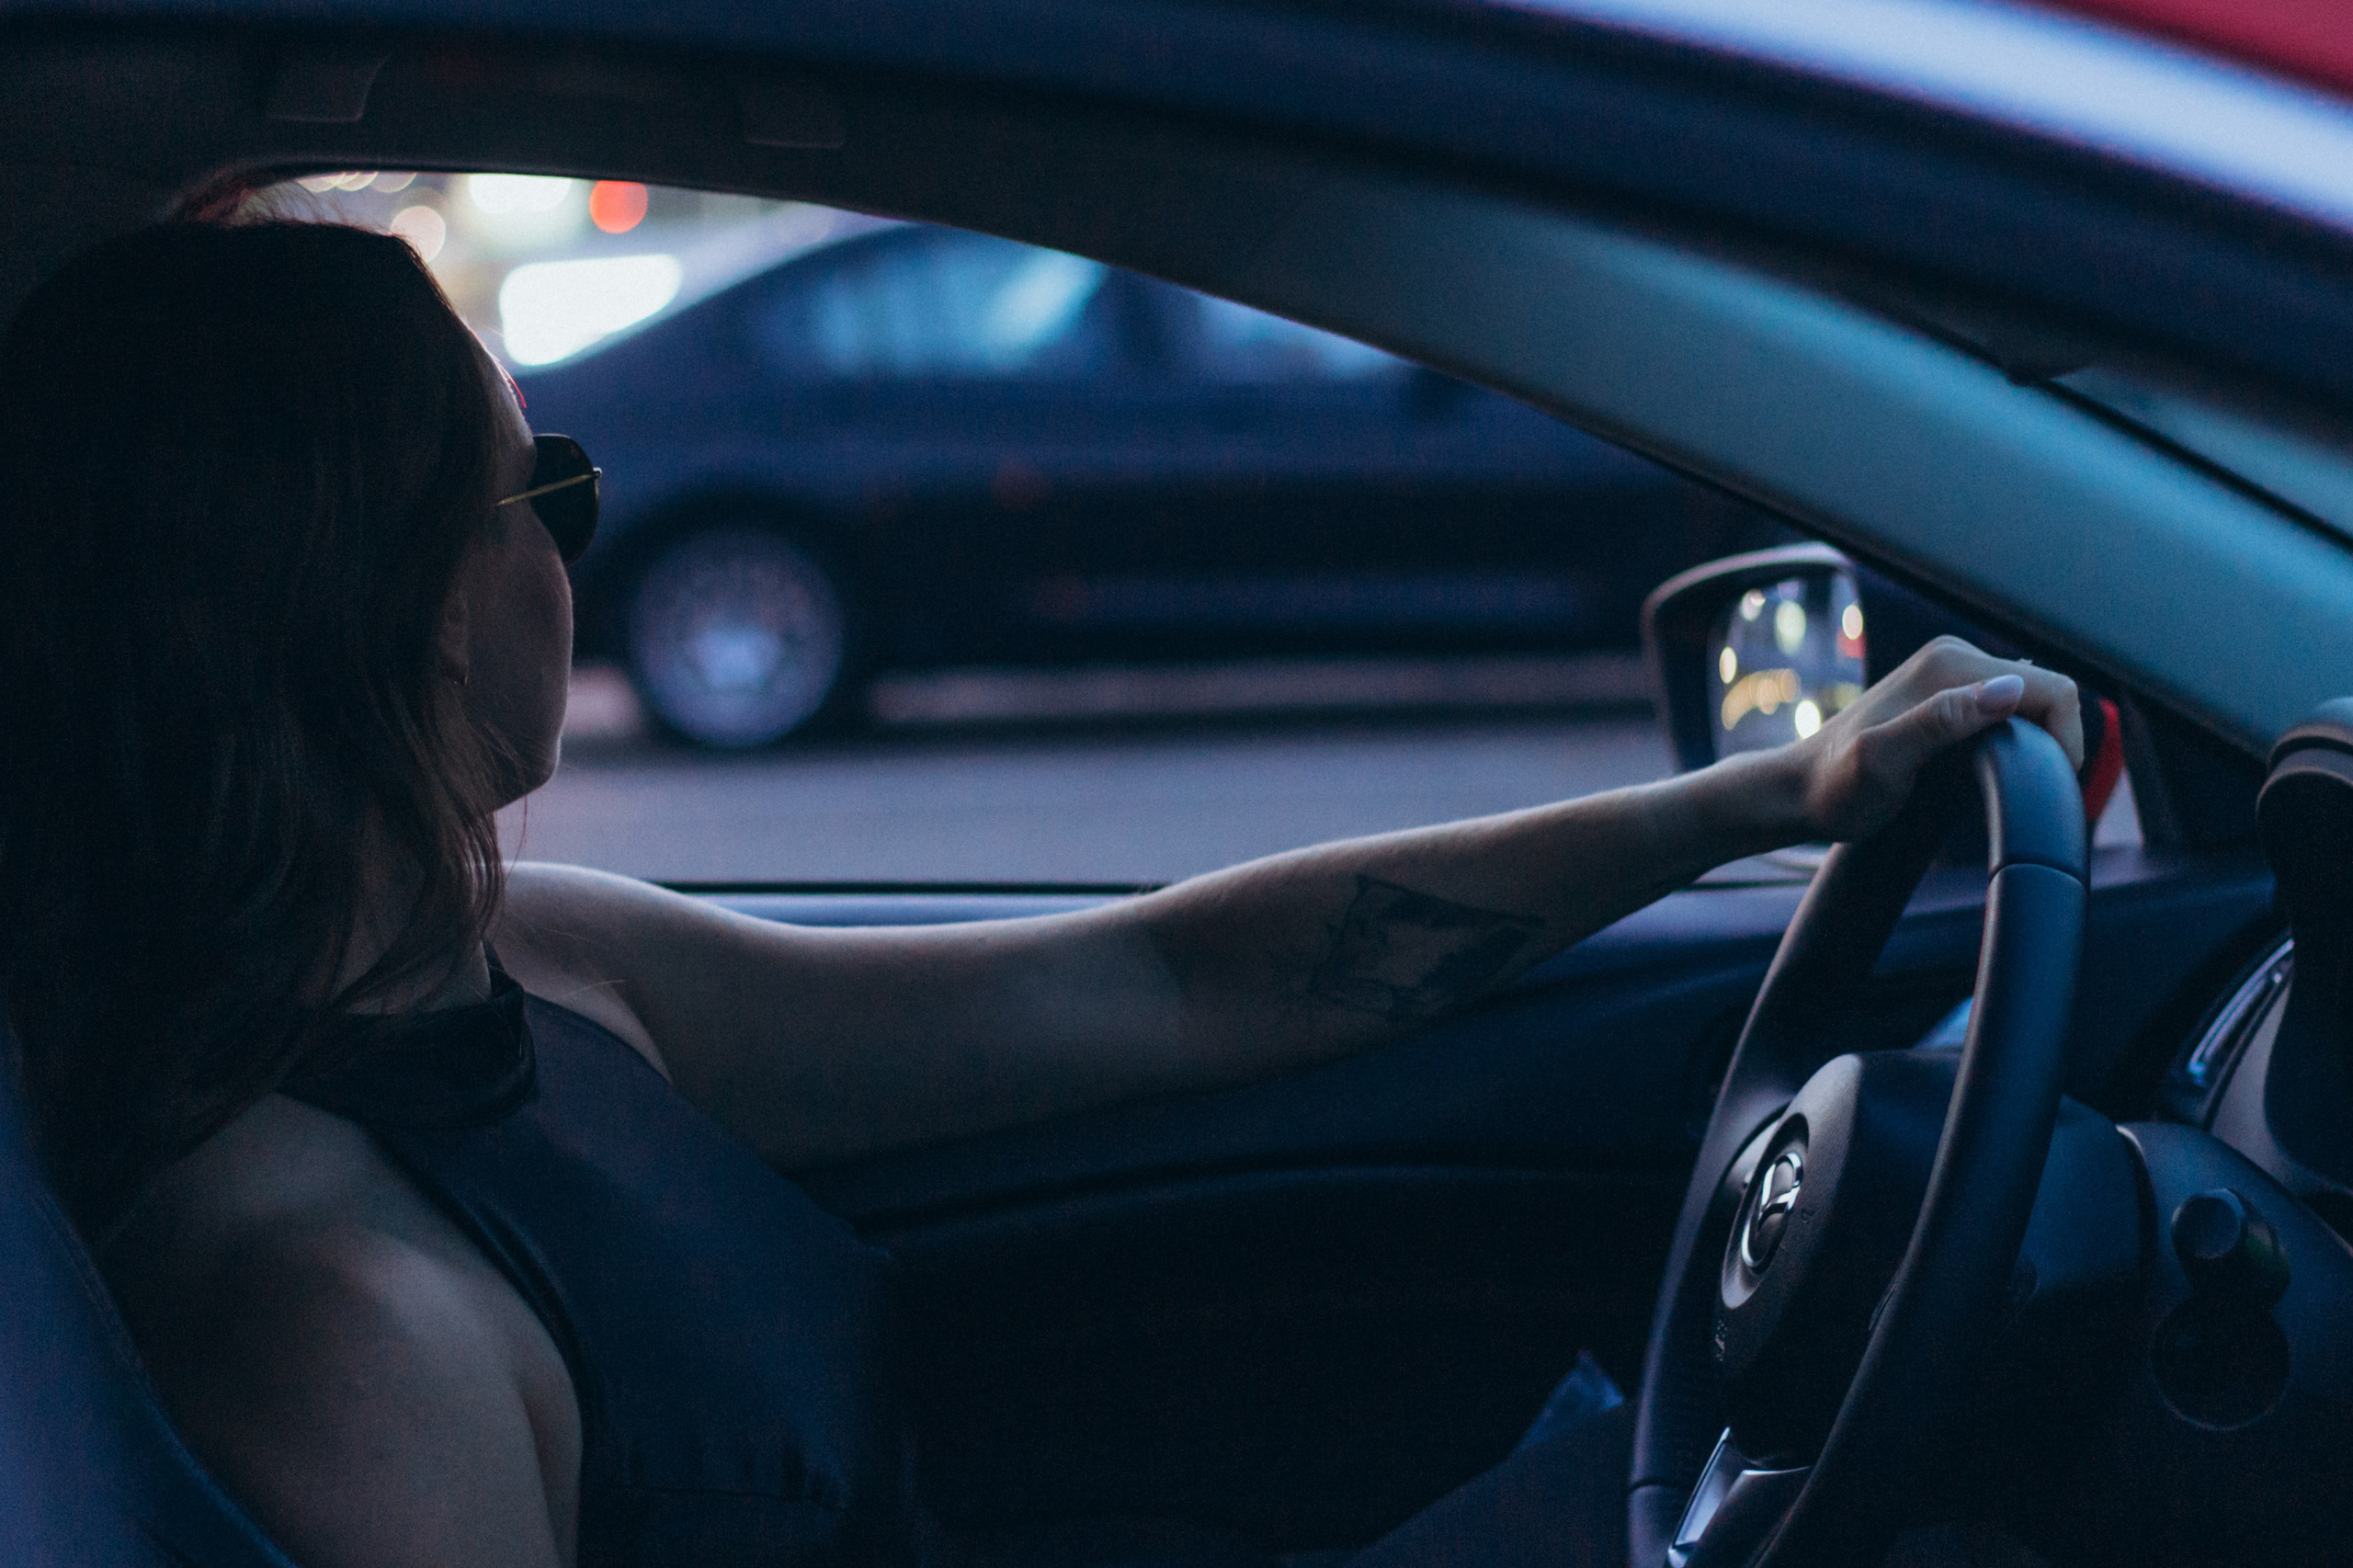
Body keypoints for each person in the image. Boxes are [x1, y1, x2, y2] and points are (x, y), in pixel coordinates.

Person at [0, 221, 2080, 1568]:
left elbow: (1175, 980)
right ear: (370, 610)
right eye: (538, 490)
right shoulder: (338, 1335)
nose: (575, 548)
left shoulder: (528, 967)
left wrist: (1744, 805)